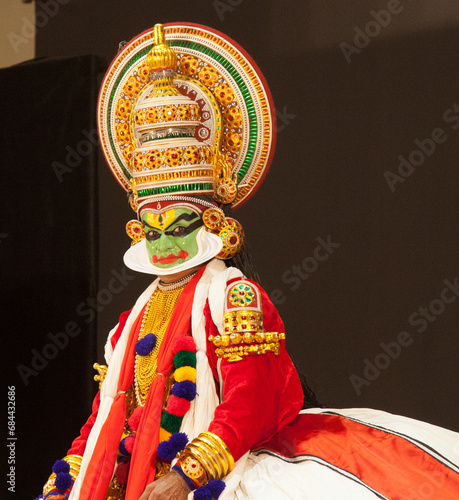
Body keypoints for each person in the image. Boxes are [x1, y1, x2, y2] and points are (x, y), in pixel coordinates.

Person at [39, 23, 459, 500]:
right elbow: (104, 422)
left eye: (177, 224)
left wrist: (186, 476)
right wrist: (66, 479)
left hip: (223, 469)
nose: (164, 242)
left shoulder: (235, 297)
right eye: (150, 228)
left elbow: (250, 405)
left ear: (213, 222)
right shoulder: (127, 326)